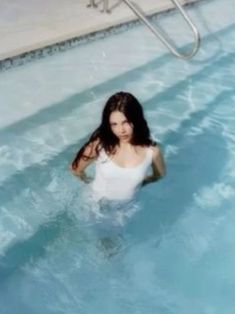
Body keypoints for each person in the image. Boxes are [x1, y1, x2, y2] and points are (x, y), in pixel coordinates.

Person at [70, 91, 166, 202]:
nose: (121, 130)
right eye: (114, 124)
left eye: (126, 122)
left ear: (136, 119)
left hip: (125, 212)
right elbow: (75, 169)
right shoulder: (100, 145)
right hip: (92, 205)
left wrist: (139, 183)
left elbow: (159, 175)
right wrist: (89, 182)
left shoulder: (152, 152)